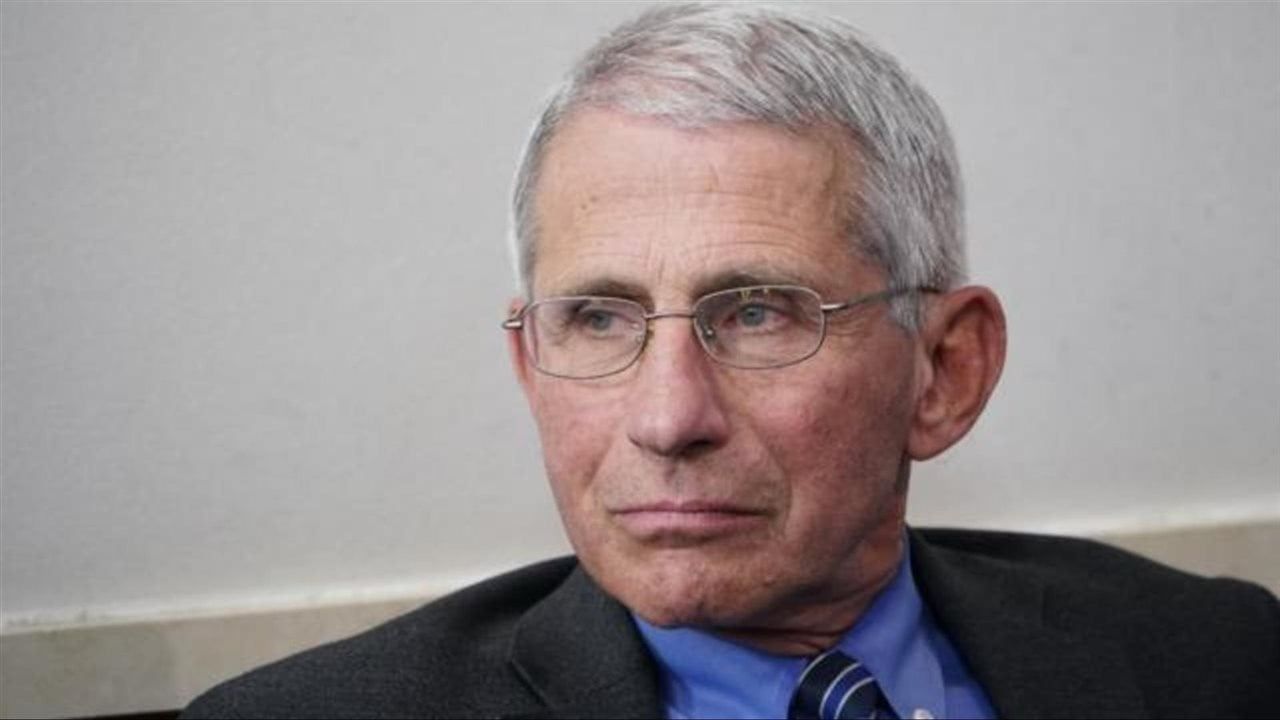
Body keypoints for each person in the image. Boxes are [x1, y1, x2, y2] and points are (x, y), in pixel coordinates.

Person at [183, 4, 1278, 719]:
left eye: (756, 314)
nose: (667, 419)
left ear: (944, 371)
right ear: (530, 369)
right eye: (598, 319)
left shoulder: (1217, 660)